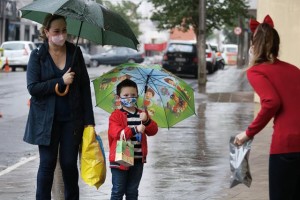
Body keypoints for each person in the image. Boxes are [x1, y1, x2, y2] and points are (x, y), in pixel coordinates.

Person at [23, 14, 95, 200]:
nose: (61, 35)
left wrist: (90, 123)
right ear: (46, 32)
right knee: (47, 164)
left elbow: (85, 87)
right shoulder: (38, 55)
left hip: (72, 119)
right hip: (46, 121)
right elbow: (33, 88)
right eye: (56, 31)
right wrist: (59, 81)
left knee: (69, 164)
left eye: (64, 30)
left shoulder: (75, 52)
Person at [234, 15, 300, 200]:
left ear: (254, 46)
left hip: (286, 148)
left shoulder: (256, 71)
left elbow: (272, 101)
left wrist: (248, 133)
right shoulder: (294, 70)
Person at [108, 79, 158, 200]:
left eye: (133, 95)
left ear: (137, 96)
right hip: (120, 157)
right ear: (118, 97)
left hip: (137, 158)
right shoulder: (116, 115)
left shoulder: (142, 114)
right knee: (118, 190)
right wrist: (135, 129)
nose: (130, 98)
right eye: (125, 95)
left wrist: (146, 121)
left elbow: (153, 131)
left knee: (132, 191)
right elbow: (117, 133)